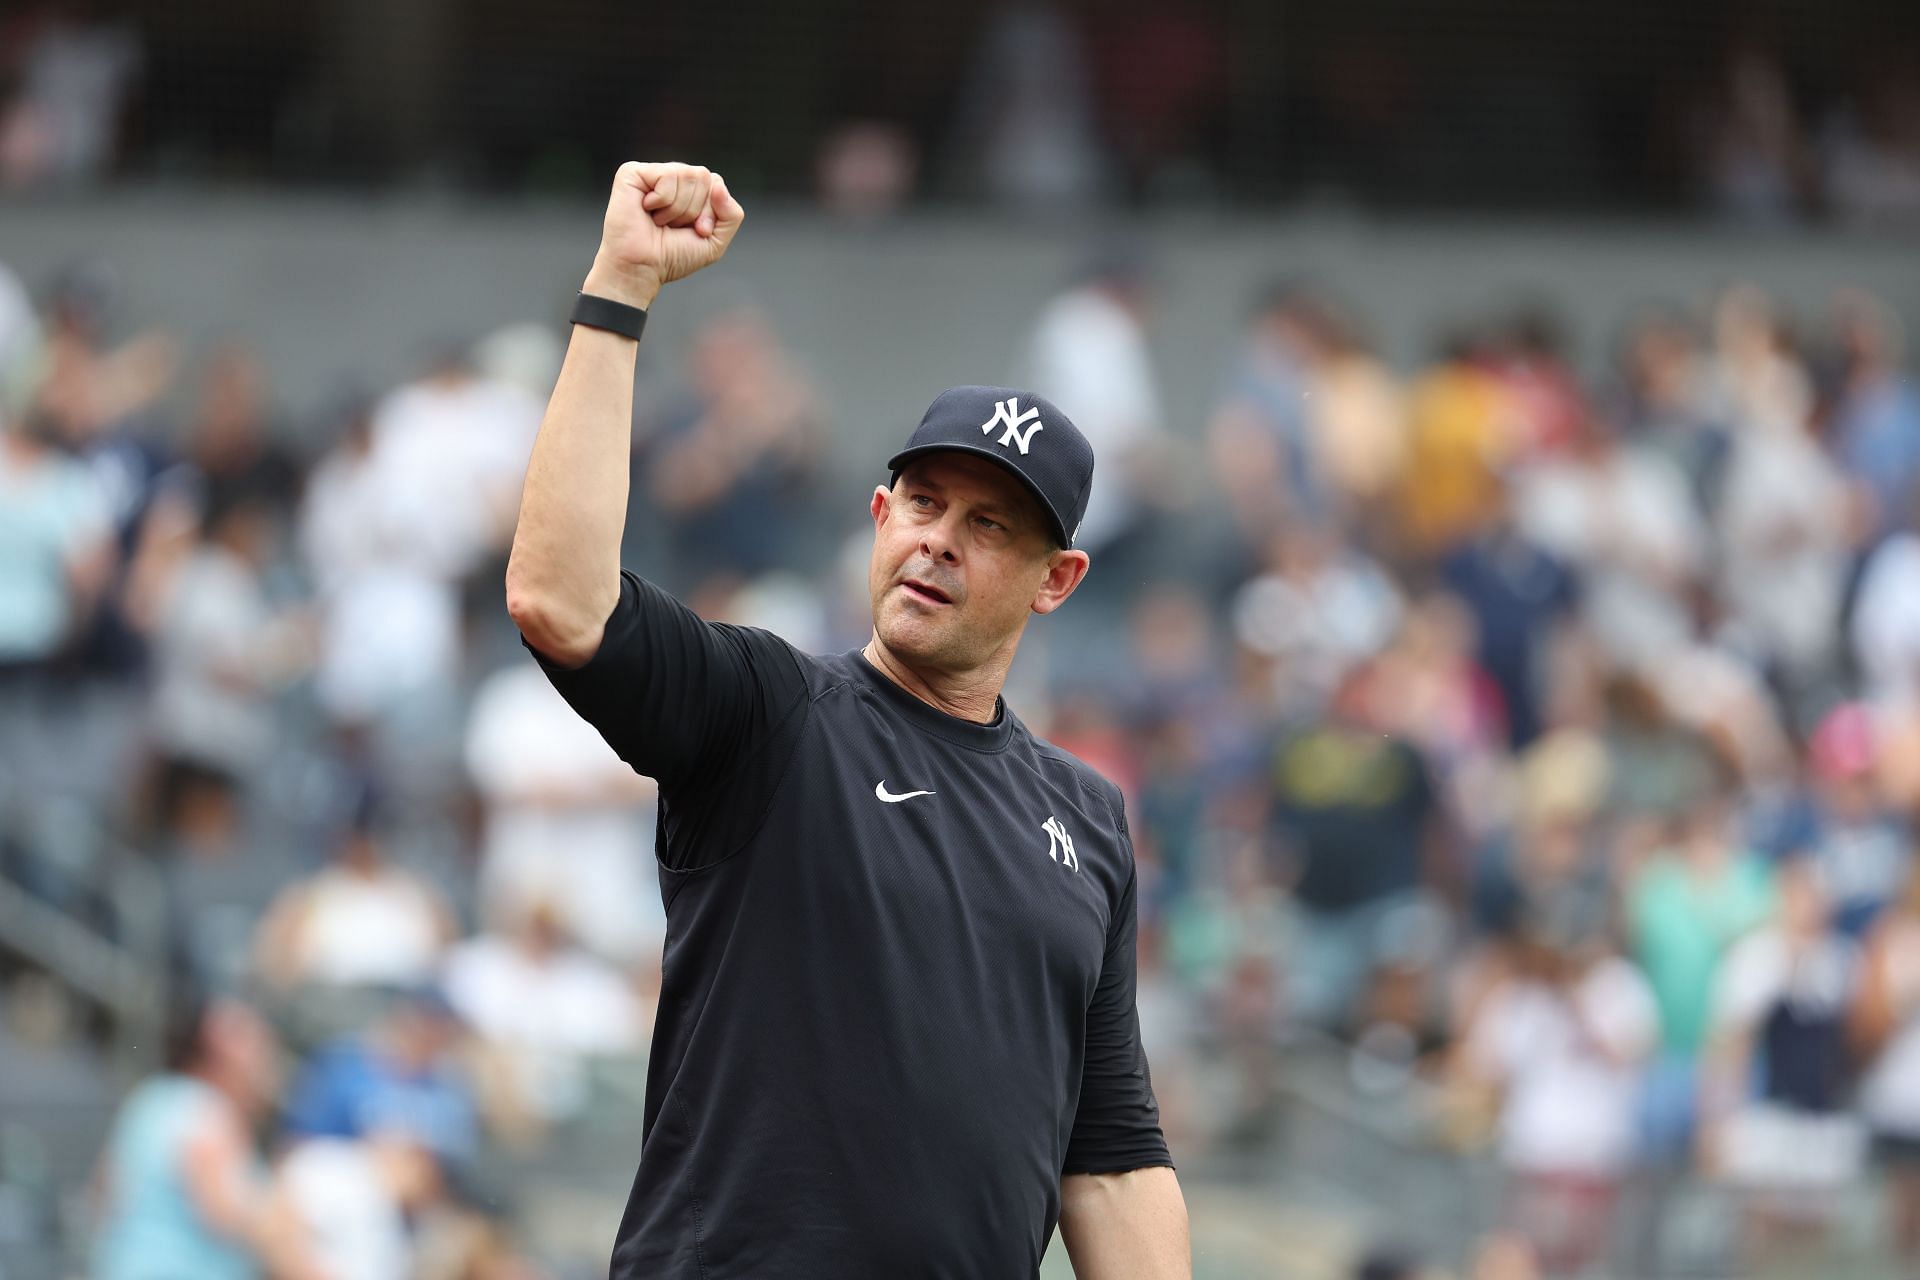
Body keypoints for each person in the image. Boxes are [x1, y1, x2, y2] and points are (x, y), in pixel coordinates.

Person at [505, 161, 1186, 1277]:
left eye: (991, 525)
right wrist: (621, 285)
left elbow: (1109, 1155)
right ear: (878, 514)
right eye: (922, 501)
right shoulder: (772, 712)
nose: (939, 539)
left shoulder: (1089, 819)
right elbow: (559, 597)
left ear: (1057, 578)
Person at [91, 1000, 308, 1280]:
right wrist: (280, 1218)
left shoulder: (152, 1096)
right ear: (220, 1050)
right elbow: (222, 1212)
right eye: (258, 1046)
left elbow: (103, 1190)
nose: (266, 1061)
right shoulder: (208, 1110)